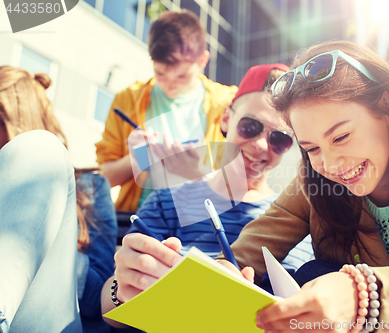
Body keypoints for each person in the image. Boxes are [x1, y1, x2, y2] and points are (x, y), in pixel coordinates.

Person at [221, 41, 389, 333]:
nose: (330, 163)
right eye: (312, 148)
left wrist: (365, 294)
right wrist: (215, 275)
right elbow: (247, 251)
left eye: (340, 137)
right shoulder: (312, 183)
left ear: (388, 108)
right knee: (311, 276)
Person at [100, 64, 315, 325]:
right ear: (226, 118)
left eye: (279, 139)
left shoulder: (301, 225)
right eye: (250, 127)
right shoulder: (168, 200)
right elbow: (110, 312)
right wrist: (121, 289)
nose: (260, 145)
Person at [0, 66, 117, 333]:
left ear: (14, 122)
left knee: (41, 149)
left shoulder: (90, 188)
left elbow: (96, 299)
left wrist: (41, 242)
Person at [95, 9, 237, 212]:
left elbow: (246, 181)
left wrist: (197, 173)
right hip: (135, 221)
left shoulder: (228, 104)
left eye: (181, 77)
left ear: (202, 61)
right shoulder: (126, 100)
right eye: (160, 74)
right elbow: (102, 179)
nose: (170, 86)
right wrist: (137, 159)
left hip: (201, 226)